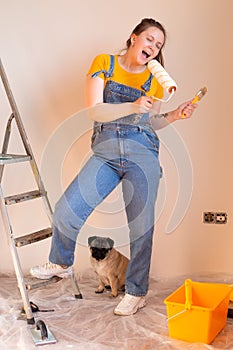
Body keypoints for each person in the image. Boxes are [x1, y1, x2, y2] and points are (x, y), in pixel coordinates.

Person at [30, 18, 197, 316]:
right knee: (68, 209)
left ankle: (136, 292)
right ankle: (61, 262)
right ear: (133, 38)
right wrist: (133, 105)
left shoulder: (154, 79)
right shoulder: (104, 63)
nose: (154, 47)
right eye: (150, 40)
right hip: (105, 153)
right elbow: (94, 109)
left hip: (141, 153)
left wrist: (175, 114)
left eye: (159, 45)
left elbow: (151, 123)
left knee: (140, 228)